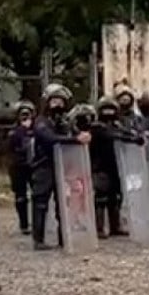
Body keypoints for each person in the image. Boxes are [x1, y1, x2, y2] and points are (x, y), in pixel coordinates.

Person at [30, 84, 91, 251]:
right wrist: (75, 140)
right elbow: (48, 138)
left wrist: (80, 133)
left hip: (63, 166)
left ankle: (64, 236)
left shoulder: (64, 122)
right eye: (54, 100)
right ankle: (38, 239)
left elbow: (75, 133)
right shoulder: (41, 122)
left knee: (63, 202)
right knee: (40, 202)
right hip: (44, 166)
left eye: (61, 101)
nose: (57, 104)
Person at [89, 96, 146, 238]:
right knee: (100, 198)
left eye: (111, 109)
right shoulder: (96, 126)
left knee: (116, 196)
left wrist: (136, 136)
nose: (108, 113)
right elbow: (111, 135)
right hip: (99, 165)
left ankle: (115, 226)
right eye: (105, 109)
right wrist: (132, 138)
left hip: (116, 165)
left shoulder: (117, 125)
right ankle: (99, 228)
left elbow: (124, 132)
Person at [8, 100, 36, 234]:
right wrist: (23, 129)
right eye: (22, 114)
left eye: (28, 114)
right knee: (21, 196)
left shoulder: (37, 129)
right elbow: (9, 147)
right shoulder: (13, 132)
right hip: (18, 166)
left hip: (33, 165)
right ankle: (24, 224)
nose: (25, 117)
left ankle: (38, 223)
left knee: (37, 194)